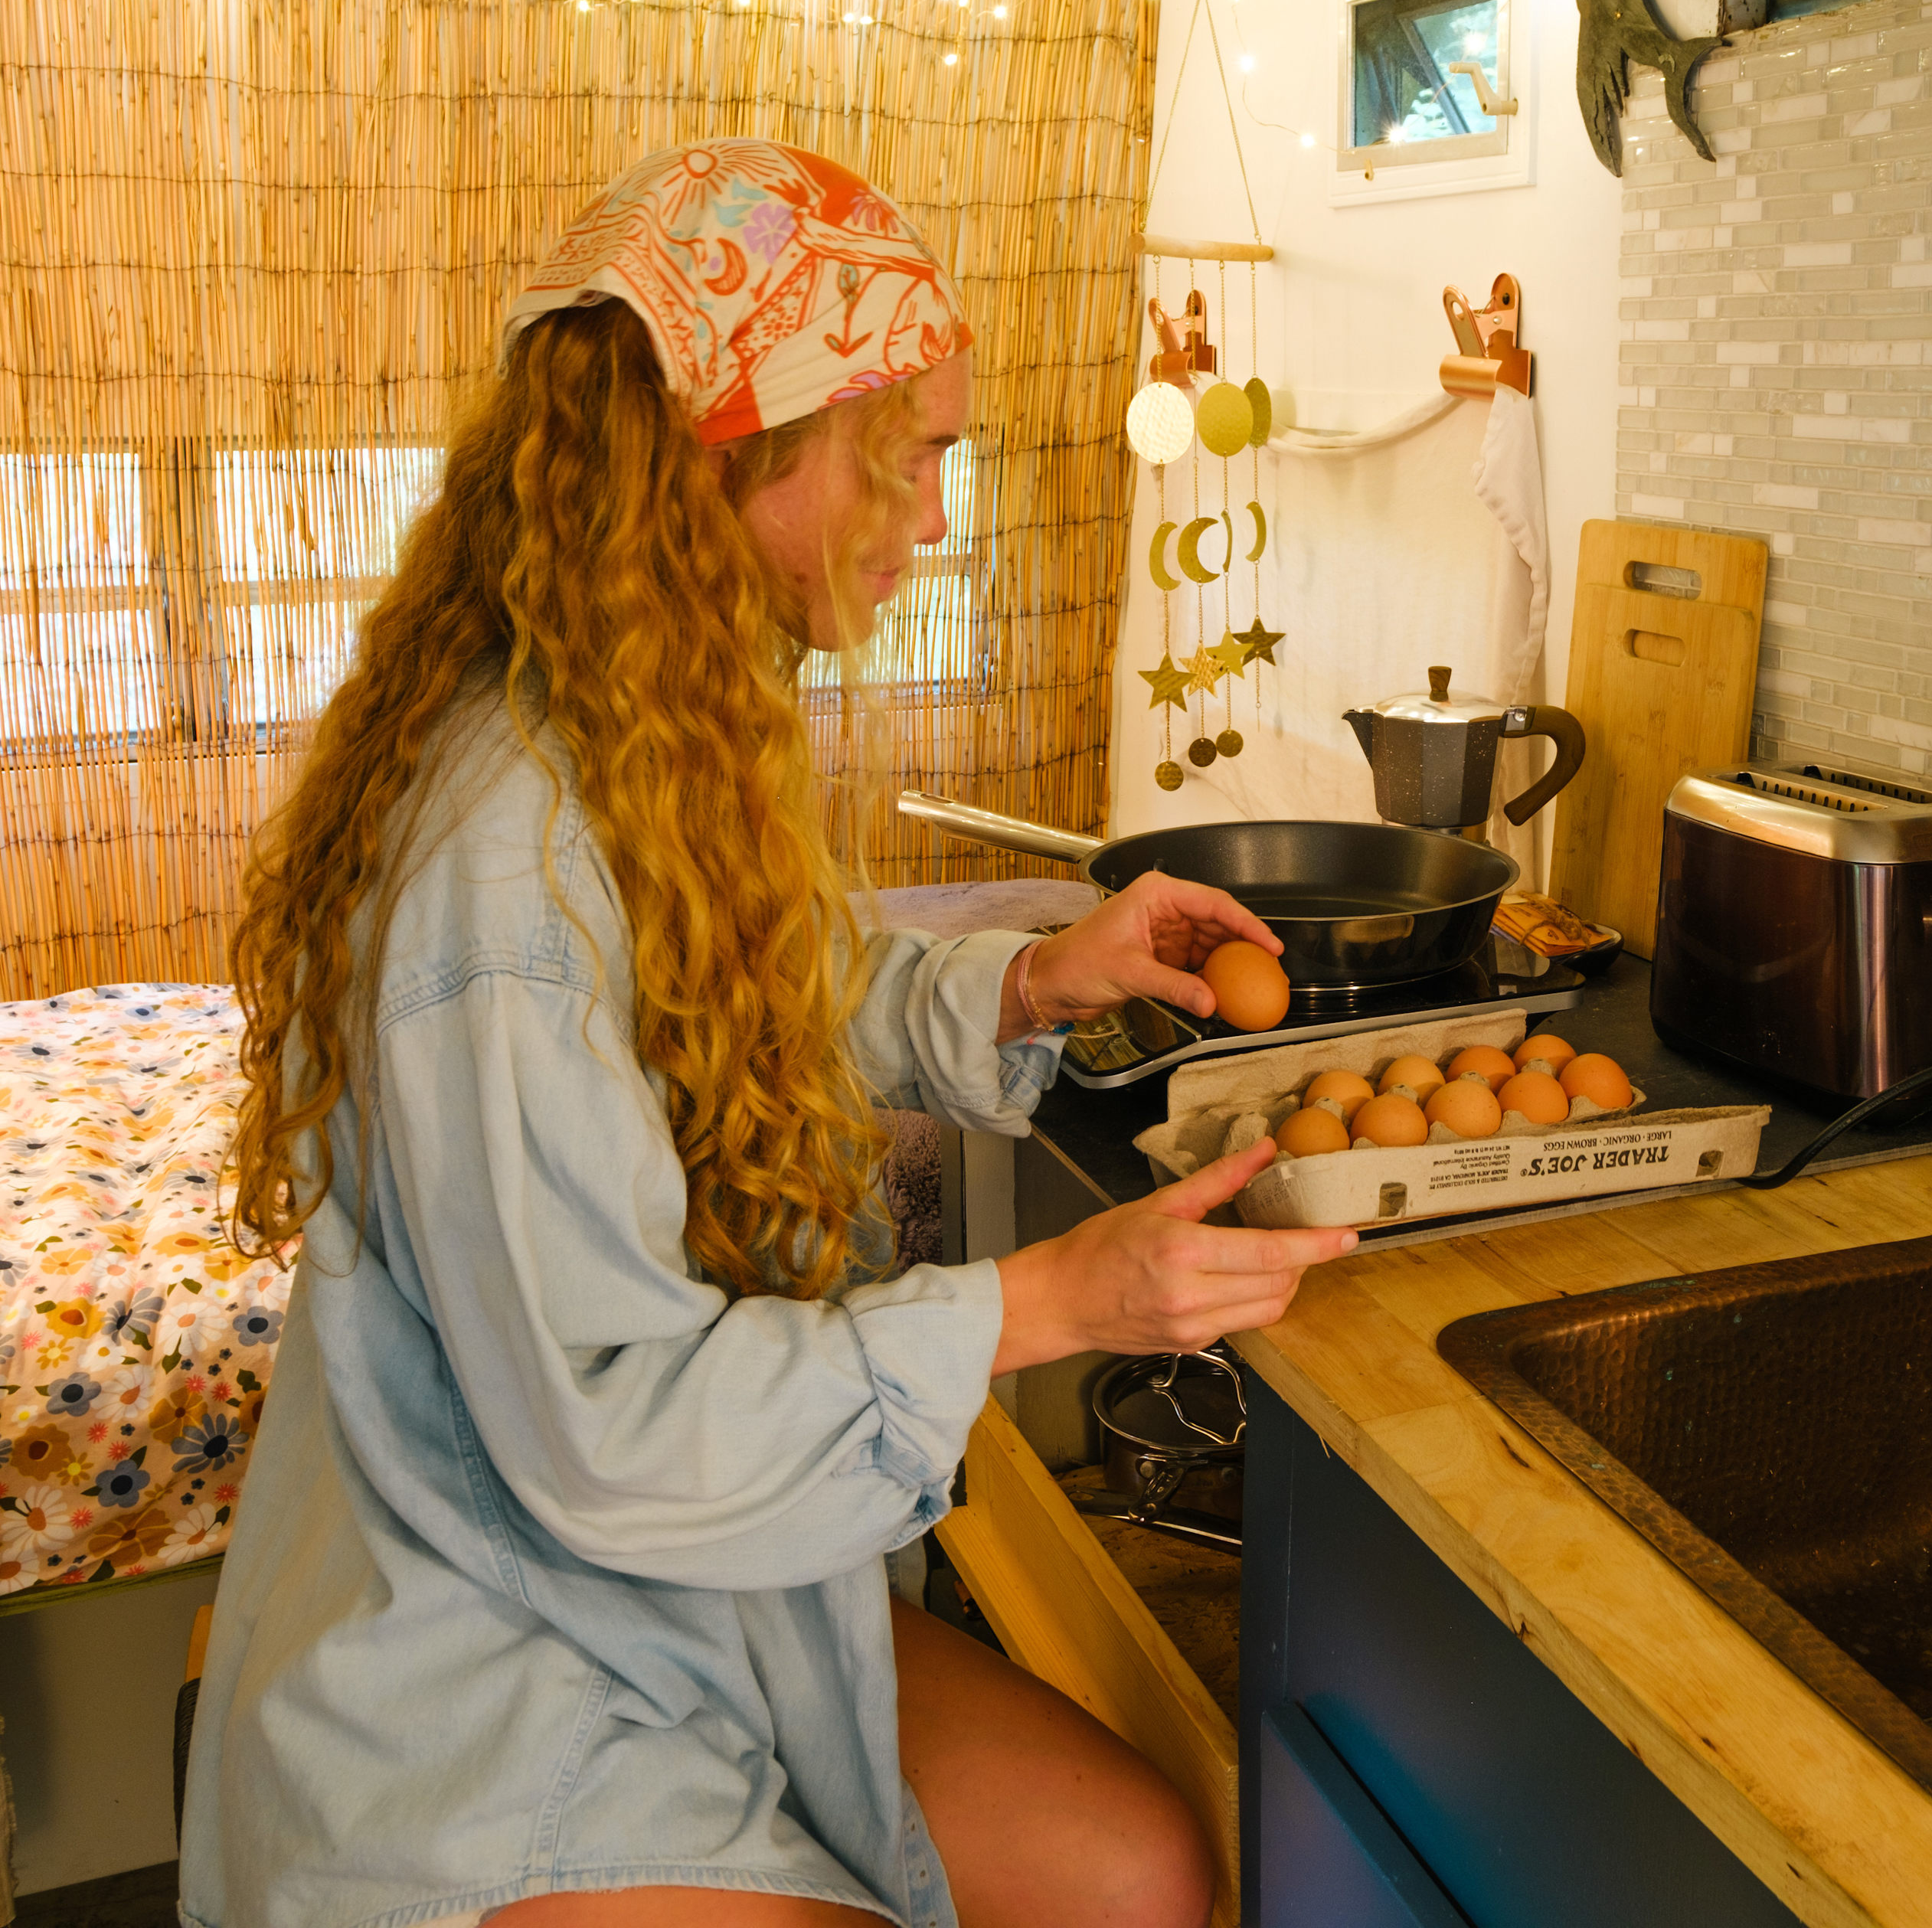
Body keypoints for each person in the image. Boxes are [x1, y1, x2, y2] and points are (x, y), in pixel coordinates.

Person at [183, 140, 1353, 1928]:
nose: (938, 521)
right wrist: (1048, 1306)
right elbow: (609, 1430)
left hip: (692, 1591)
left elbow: (774, 996)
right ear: (744, 452)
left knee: (1138, 1873)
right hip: (497, 1650)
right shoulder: (506, 872)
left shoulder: (647, 729)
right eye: (917, 458)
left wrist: (1039, 977)